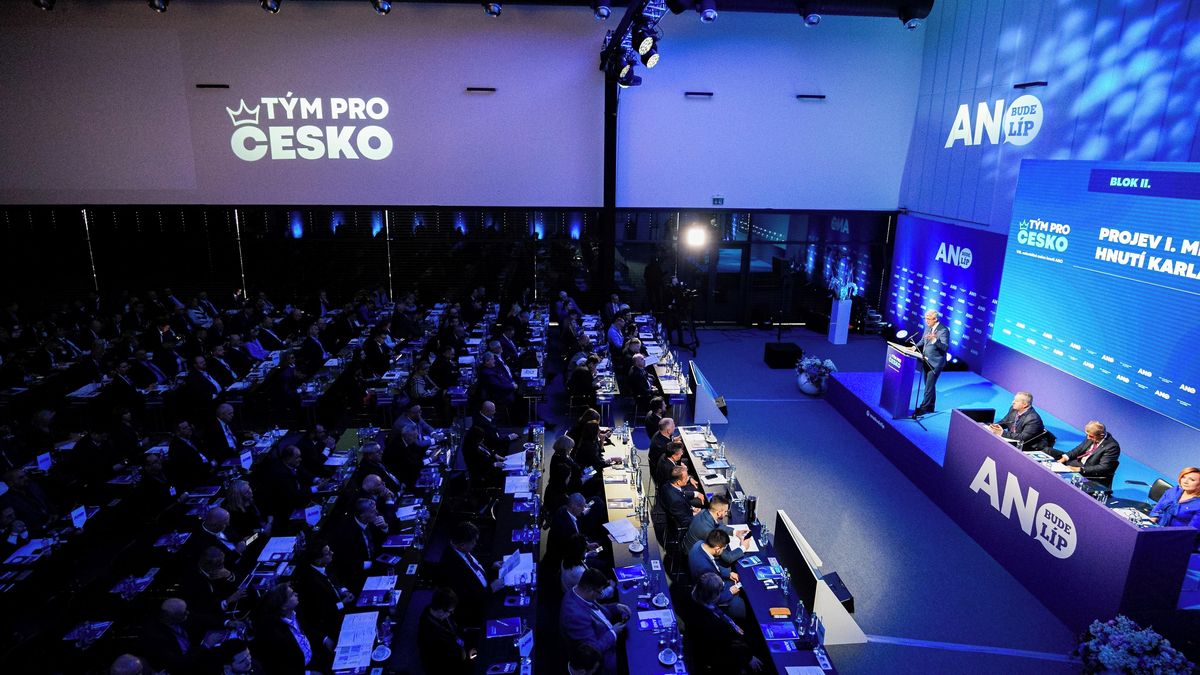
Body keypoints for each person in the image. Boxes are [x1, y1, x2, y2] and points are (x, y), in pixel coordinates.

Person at [685, 573, 763, 673]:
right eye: (719, 592)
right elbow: (727, 646)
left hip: (730, 636)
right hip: (725, 656)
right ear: (713, 596)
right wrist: (748, 658)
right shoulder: (712, 624)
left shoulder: (695, 597)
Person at [560, 568, 630, 675]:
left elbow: (597, 610)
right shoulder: (575, 617)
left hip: (607, 633)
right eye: (599, 591)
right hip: (604, 655)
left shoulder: (577, 592)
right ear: (589, 589)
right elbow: (593, 649)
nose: (601, 594)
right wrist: (613, 633)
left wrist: (615, 607)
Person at [253, 583, 330, 675]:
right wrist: (307, 673)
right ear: (283, 606)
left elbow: (308, 630)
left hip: (315, 658)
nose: (296, 594)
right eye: (292, 594)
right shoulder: (273, 632)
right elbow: (279, 666)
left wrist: (324, 639)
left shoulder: (296, 611)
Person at [439, 521, 504, 627]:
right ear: (462, 545)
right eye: (473, 542)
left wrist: (491, 565)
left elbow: (476, 564)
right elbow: (467, 598)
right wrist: (491, 589)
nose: (475, 544)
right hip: (480, 604)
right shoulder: (451, 569)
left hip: (487, 585)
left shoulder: (462, 549)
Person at [291, 541, 356, 641]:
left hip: (341, 605)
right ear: (318, 560)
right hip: (331, 620)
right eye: (328, 553)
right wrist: (343, 603)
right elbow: (322, 612)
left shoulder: (326, 564)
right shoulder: (311, 582)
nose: (332, 553)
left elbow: (336, 580)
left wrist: (343, 591)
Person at [687, 529, 747, 620]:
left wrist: (729, 573)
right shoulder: (706, 570)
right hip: (709, 591)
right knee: (740, 605)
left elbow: (714, 564)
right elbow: (712, 599)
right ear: (717, 549)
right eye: (723, 548)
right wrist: (731, 592)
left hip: (707, 582)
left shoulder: (699, 544)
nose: (723, 550)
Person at [331, 498, 389, 588]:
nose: (377, 512)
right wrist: (371, 564)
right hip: (359, 573)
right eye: (372, 511)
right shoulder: (346, 533)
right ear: (362, 515)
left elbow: (382, 540)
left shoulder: (372, 521)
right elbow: (347, 560)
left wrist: (384, 526)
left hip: (377, 561)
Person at [418, 588, 475, 675]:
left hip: (455, 647)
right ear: (441, 611)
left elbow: (454, 629)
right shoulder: (432, 636)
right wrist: (467, 653)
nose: (452, 613)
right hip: (447, 665)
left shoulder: (433, 609)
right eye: (451, 611)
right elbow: (451, 659)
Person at [683, 494, 749, 565]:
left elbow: (717, 526)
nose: (726, 514)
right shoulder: (709, 532)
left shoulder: (704, 512)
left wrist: (736, 532)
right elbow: (728, 558)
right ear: (719, 513)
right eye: (726, 511)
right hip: (693, 559)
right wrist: (743, 547)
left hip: (687, 546)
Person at [1049, 421, 1121, 487]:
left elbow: (1103, 467)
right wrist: (1064, 458)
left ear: (1101, 435)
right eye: (1087, 435)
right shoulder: (1091, 435)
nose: (1088, 438)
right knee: (1049, 451)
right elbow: (1079, 449)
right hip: (1077, 462)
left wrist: (1080, 469)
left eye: (1091, 436)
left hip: (1088, 470)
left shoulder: (1112, 447)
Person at [913, 309, 949, 415]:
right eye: (926, 319)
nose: (926, 321)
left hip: (936, 363)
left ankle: (923, 408)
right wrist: (914, 347)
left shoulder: (943, 330)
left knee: (928, 386)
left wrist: (934, 340)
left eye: (929, 319)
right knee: (929, 385)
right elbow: (923, 340)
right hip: (926, 360)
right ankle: (931, 407)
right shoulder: (928, 327)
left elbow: (945, 347)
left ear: (935, 319)